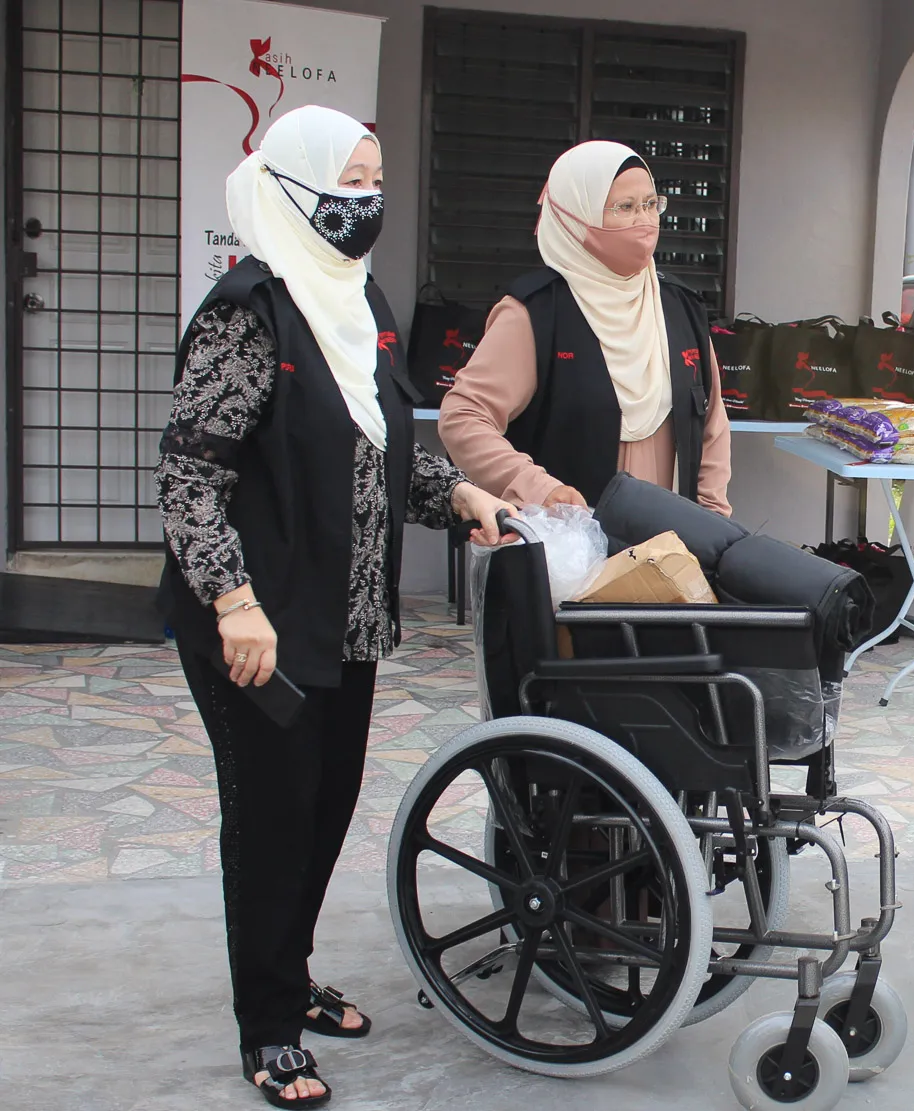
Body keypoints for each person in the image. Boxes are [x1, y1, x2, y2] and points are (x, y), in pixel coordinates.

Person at [155, 105, 516, 1108]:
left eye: (375, 181)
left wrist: (462, 496)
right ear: (291, 191)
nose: (366, 203)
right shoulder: (248, 313)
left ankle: (293, 975)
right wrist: (232, 598)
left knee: (321, 809)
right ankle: (267, 1026)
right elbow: (190, 478)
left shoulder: (359, 304)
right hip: (256, 625)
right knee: (270, 817)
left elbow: (383, 453)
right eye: (346, 184)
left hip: (344, 617)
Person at [439, 140, 732, 516]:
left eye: (650, 204)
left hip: (668, 550)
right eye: (624, 208)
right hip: (566, 553)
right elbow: (464, 417)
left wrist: (712, 519)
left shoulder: (680, 307)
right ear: (577, 216)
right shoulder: (537, 313)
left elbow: (712, 425)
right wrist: (536, 487)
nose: (644, 220)